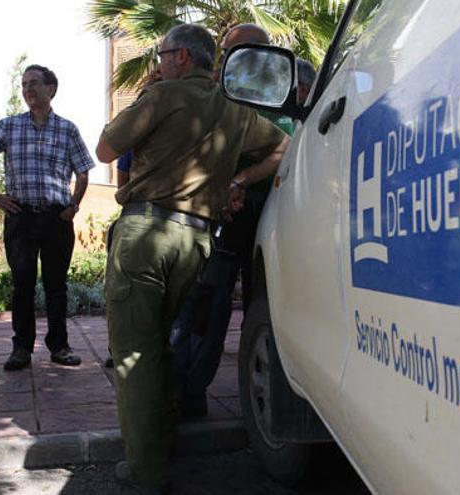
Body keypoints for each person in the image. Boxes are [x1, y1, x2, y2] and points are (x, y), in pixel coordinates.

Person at [96, 23, 290, 493]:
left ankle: (146, 469)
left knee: (134, 354)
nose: (158, 62)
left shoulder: (163, 96)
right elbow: (281, 148)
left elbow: (105, 147)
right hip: (197, 240)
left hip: (145, 233)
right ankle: (161, 444)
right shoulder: (235, 109)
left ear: (182, 58)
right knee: (160, 344)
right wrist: (236, 183)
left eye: (162, 54)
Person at [169, 24, 315, 420]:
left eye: (235, 50)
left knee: (262, 306)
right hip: (227, 212)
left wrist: (240, 181)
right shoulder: (218, 94)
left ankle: (264, 397)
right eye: (226, 52)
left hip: (273, 213)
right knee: (206, 305)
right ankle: (190, 393)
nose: (226, 60)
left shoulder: (284, 92)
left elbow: (285, 148)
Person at [0, 64, 94, 371]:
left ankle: (60, 347)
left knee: (56, 286)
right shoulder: (9, 126)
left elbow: (83, 171)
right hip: (21, 218)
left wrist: (74, 207)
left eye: (34, 83)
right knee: (22, 285)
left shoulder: (67, 129)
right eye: (24, 84)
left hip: (57, 219)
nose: (28, 89)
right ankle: (21, 350)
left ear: (51, 88)